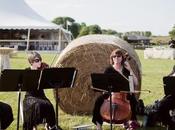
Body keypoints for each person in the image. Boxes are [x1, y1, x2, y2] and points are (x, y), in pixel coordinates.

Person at [92, 49, 140, 130]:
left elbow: (135, 83)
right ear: (112, 58)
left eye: (119, 56)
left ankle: (131, 121)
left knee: (133, 100)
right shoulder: (109, 70)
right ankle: (98, 124)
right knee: (98, 101)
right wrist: (104, 90)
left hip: (124, 94)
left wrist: (130, 69)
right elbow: (104, 84)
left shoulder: (126, 70)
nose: (116, 58)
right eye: (114, 56)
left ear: (122, 58)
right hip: (111, 93)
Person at [23, 51, 62, 130]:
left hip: (41, 96)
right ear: (31, 62)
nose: (40, 62)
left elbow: (49, 83)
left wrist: (49, 74)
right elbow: (26, 86)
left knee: (49, 105)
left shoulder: (42, 70)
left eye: (40, 60)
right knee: (38, 105)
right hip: (30, 97)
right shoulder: (27, 71)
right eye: (37, 60)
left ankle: (51, 125)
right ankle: (33, 125)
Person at [143, 65, 175, 130]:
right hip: (173, 95)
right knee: (161, 105)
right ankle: (170, 124)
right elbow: (169, 75)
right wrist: (168, 81)